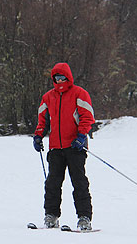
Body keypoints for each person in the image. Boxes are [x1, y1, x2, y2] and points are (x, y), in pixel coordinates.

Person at [32, 62, 95, 231]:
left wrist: (82, 136)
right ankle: (51, 215)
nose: (59, 81)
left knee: (79, 182)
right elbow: (42, 121)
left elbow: (87, 117)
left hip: (75, 147)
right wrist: (38, 136)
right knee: (52, 183)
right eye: (56, 78)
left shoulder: (79, 94)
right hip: (55, 148)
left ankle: (84, 218)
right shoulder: (48, 97)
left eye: (62, 78)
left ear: (68, 77)